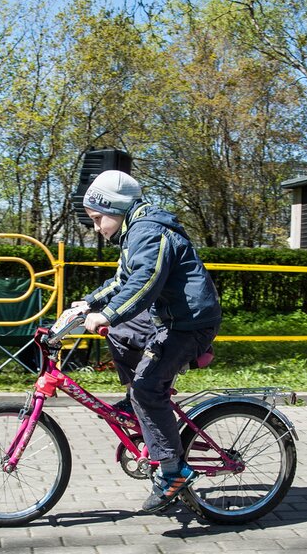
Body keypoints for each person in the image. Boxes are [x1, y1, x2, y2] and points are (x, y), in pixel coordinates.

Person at [73, 169, 221, 513]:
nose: (97, 227)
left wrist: (107, 314)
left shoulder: (149, 231)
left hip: (189, 324)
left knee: (146, 387)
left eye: (98, 219)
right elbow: (122, 279)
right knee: (122, 334)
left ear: (116, 208)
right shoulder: (135, 231)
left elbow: (144, 281)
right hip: (166, 317)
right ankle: (140, 405)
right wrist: (90, 303)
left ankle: (173, 471)